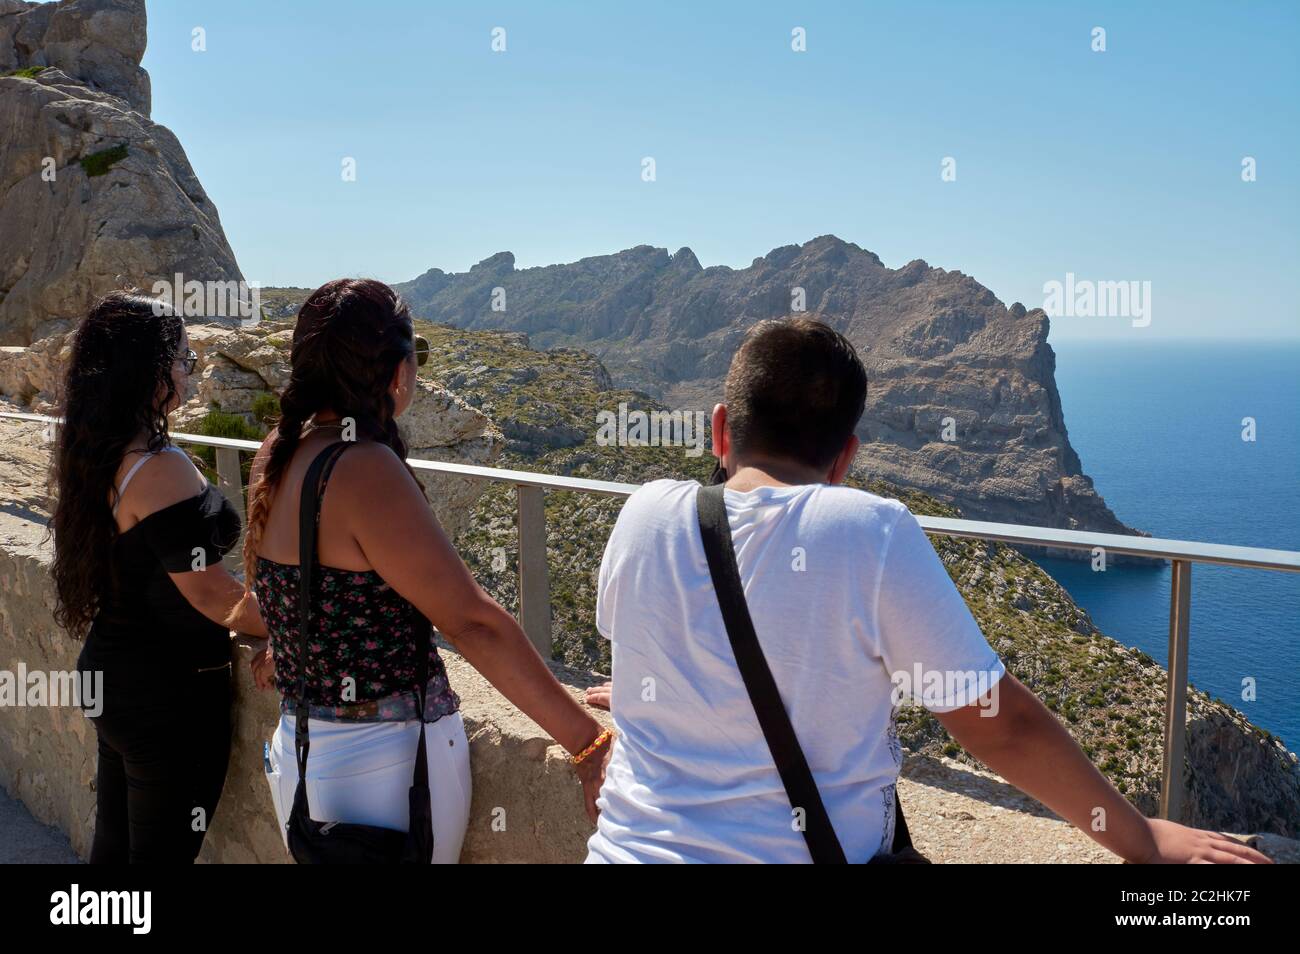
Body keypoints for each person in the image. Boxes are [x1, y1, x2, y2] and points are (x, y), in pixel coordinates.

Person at [584, 317, 1271, 864]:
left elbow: (663, 637)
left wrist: (671, 689)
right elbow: (1001, 726)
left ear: (721, 429)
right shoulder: (868, 532)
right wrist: (1143, 840)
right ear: (847, 454)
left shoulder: (644, 511)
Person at [239, 278, 609, 863]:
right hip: (388, 765)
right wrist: (588, 744)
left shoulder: (276, 453)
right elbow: (471, 623)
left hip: (302, 750)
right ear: (396, 372)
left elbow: (287, 585)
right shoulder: (363, 467)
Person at [52, 292, 266, 863]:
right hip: (167, 691)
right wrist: (294, 615)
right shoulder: (160, 467)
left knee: (115, 852)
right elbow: (214, 596)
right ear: (145, 368)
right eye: (182, 358)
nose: (191, 372)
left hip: (115, 672)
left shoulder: (97, 450)